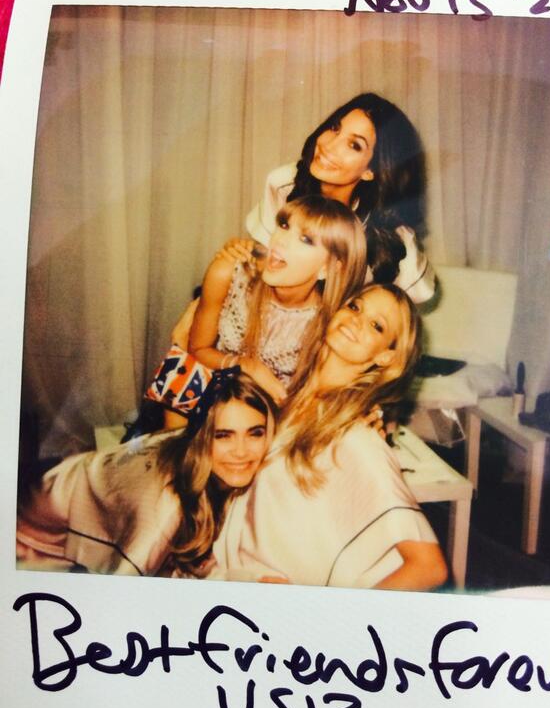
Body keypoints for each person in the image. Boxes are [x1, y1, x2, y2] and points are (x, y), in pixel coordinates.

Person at [210, 284, 448, 591]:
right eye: (355, 306)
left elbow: (429, 568)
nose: (357, 320)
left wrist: (334, 616)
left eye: (377, 326)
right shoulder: (288, 399)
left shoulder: (356, 437)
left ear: (387, 355)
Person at [16, 372, 277, 578]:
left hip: (63, 476)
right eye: (223, 436)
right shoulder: (166, 506)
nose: (241, 451)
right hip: (29, 522)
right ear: (200, 439)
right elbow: (125, 589)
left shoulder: (194, 451)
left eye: (255, 433)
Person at [243, 93, 436, 304]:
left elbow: (419, 294)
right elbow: (266, 254)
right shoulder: (284, 185)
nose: (329, 146)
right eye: (335, 128)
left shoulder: (390, 233)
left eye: (354, 145)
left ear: (370, 171)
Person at [184, 194, 367, 406]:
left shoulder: (329, 324)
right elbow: (197, 349)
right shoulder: (229, 273)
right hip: (206, 401)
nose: (280, 239)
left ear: (328, 268)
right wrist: (245, 365)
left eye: (305, 239)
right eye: (284, 225)